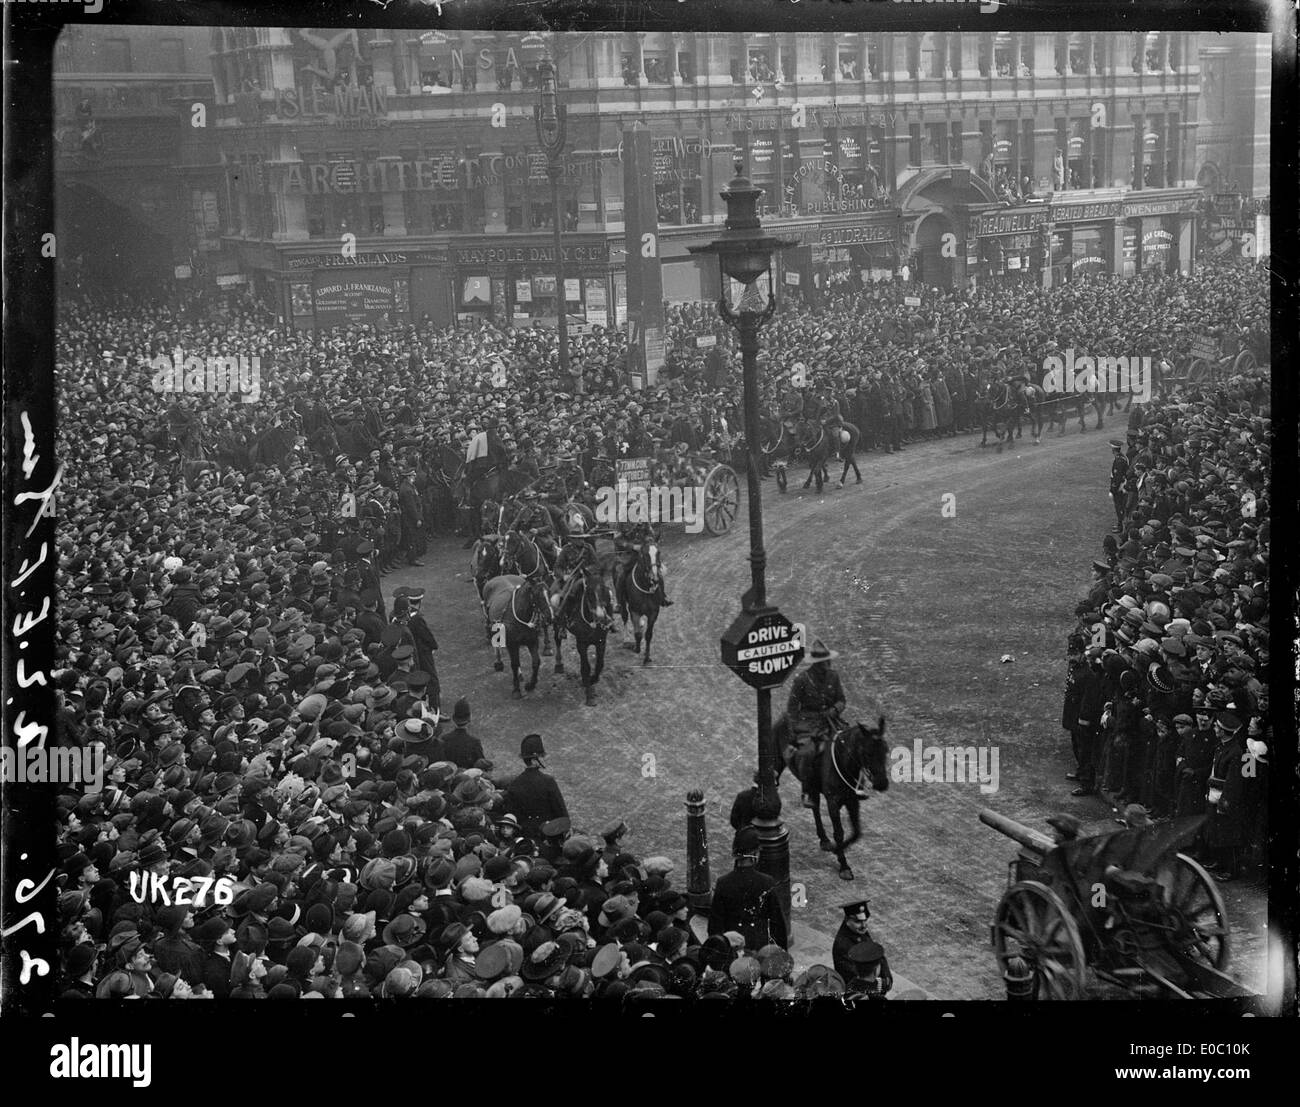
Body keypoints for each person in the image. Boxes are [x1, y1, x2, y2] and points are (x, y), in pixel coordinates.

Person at [786, 639, 847, 808]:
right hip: (809, 724)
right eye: (822, 663)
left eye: (827, 661)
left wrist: (834, 710)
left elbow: (841, 700)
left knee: (851, 743)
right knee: (807, 753)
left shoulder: (833, 676)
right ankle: (808, 792)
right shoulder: (802, 680)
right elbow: (792, 708)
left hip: (831, 721)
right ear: (815, 664)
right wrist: (793, 731)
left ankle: (856, 785)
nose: (826, 665)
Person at [707, 827, 788, 951]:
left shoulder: (723, 882)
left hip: (733, 946)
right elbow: (778, 924)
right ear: (754, 854)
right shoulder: (766, 882)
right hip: (761, 947)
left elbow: (714, 925)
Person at [501, 733, 569, 840]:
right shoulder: (548, 781)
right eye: (541, 756)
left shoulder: (514, 783)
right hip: (549, 832)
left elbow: (513, 812)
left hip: (526, 833)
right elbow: (560, 810)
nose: (544, 759)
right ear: (534, 760)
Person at [831, 900, 893, 994]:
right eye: (858, 922)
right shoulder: (843, 945)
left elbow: (877, 956)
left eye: (865, 920)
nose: (864, 925)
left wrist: (887, 977)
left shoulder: (858, 931)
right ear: (847, 921)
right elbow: (858, 979)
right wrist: (882, 984)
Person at [441, 698, 485, 769]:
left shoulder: (444, 739)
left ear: (453, 718)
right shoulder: (474, 742)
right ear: (469, 718)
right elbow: (481, 765)